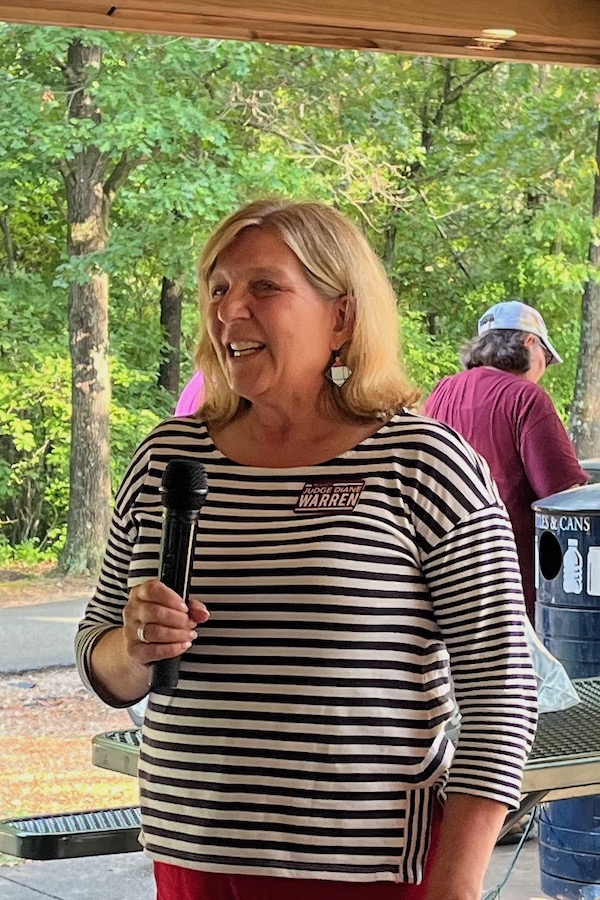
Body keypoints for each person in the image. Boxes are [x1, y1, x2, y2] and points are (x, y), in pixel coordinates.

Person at [76, 200, 537, 900]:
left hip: (370, 870)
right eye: (218, 288)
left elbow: (502, 688)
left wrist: (458, 883)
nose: (229, 310)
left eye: (264, 286)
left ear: (341, 317)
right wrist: (133, 648)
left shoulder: (422, 461)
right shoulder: (168, 458)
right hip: (192, 859)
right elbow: (100, 654)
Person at [424, 299, 588, 624]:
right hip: (510, 582)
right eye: (546, 358)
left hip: (445, 577)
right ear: (529, 342)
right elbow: (565, 498)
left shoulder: (441, 393)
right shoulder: (525, 398)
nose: (543, 370)